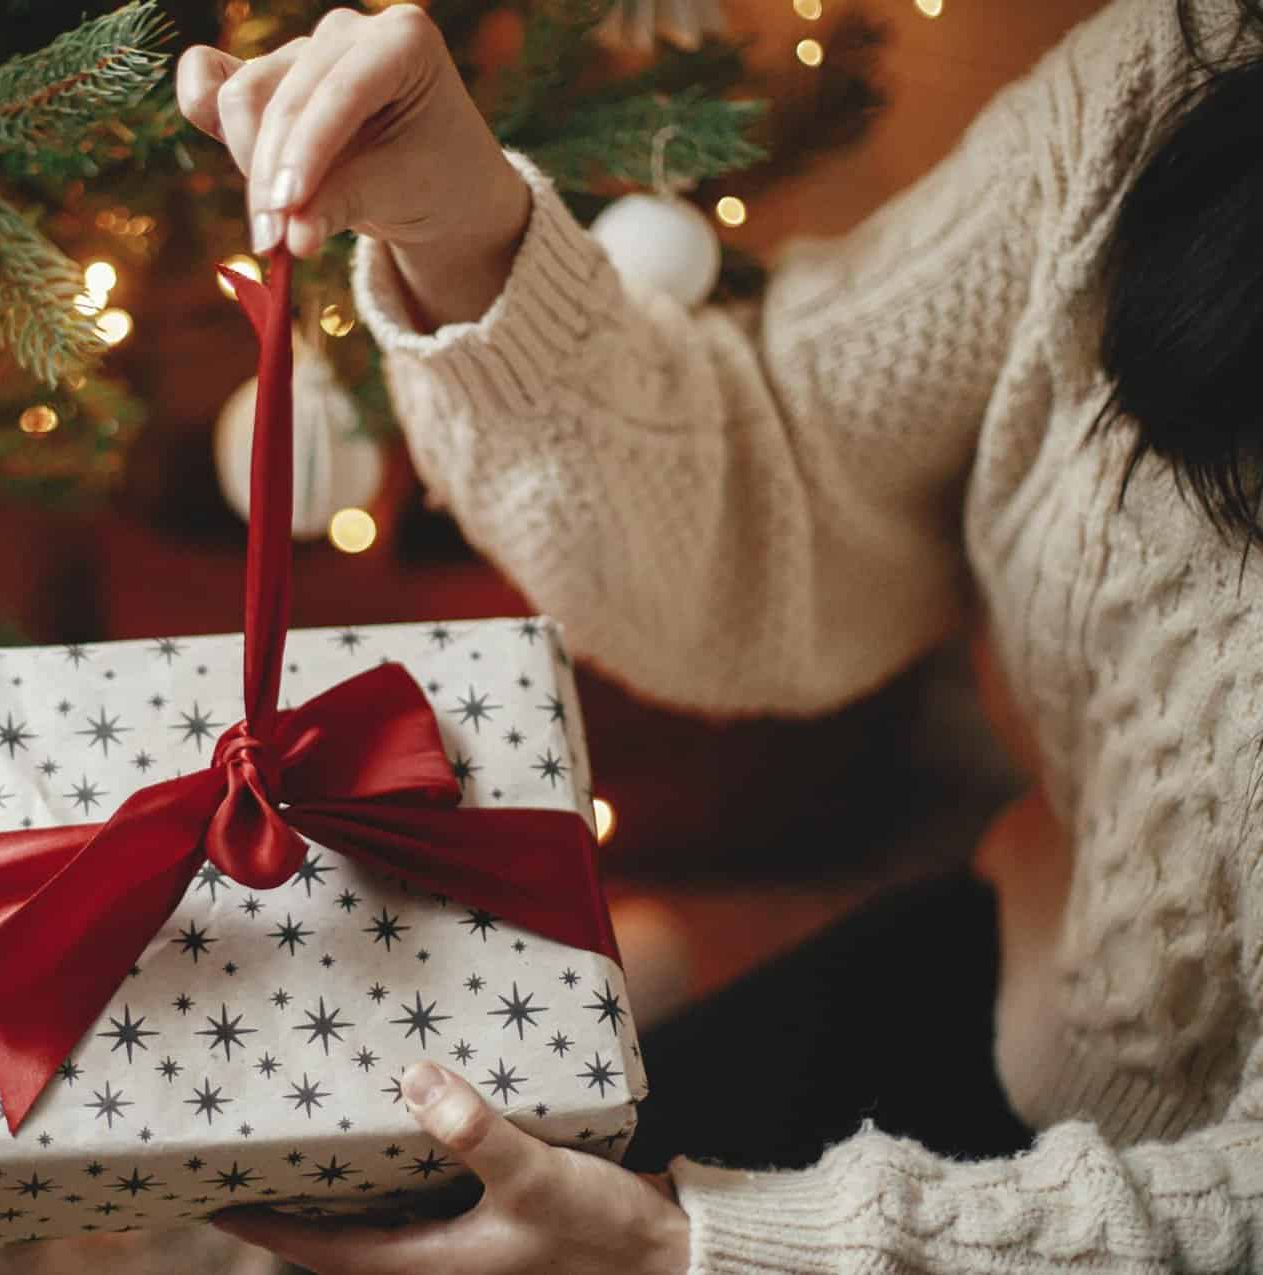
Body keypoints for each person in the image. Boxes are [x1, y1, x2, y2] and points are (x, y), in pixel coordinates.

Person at [174, 0, 1263, 1271]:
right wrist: (464, 233)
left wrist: (689, 1251)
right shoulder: (1178, 69)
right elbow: (780, 494)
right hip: (1042, 989)